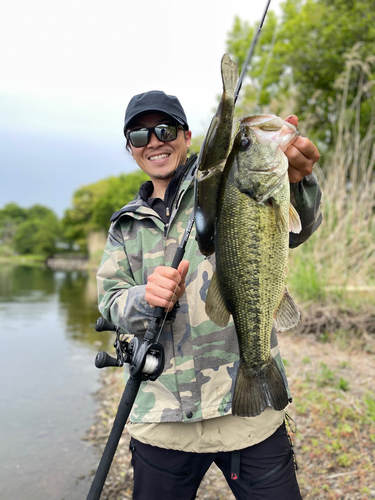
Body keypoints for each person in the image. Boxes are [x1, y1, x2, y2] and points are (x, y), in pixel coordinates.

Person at [97, 90, 322, 500]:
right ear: (130, 148)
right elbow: (110, 301)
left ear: (185, 136)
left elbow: (298, 226)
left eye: (164, 129)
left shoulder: (221, 184)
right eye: (139, 135)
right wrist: (143, 298)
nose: (154, 142)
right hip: (162, 421)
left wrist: (299, 181)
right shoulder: (124, 227)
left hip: (245, 412)